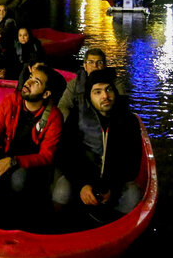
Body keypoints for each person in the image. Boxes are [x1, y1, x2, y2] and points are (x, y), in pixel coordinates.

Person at [0, 62, 66, 228]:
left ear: (46, 93)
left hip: (31, 163)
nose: (28, 83)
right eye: (30, 78)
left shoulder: (54, 117)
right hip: (6, 154)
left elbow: (47, 156)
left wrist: (14, 161)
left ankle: (17, 224)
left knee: (19, 180)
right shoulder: (10, 102)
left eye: (36, 82)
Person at [52, 67, 142, 223]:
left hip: (113, 183)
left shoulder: (129, 121)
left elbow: (132, 162)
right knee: (62, 189)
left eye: (108, 90)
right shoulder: (76, 118)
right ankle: (60, 226)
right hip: (82, 180)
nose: (105, 96)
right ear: (89, 96)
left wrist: (112, 187)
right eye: (97, 92)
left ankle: (116, 229)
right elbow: (64, 155)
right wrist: (82, 185)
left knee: (133, 193)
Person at [57, 48, 122, 120]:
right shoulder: (76, 83)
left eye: (99, 62)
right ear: (85, 66)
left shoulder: (115, 83)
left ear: (104, 66)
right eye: (91, 62)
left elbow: (122, 105)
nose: (95, 66)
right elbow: (64, 105)